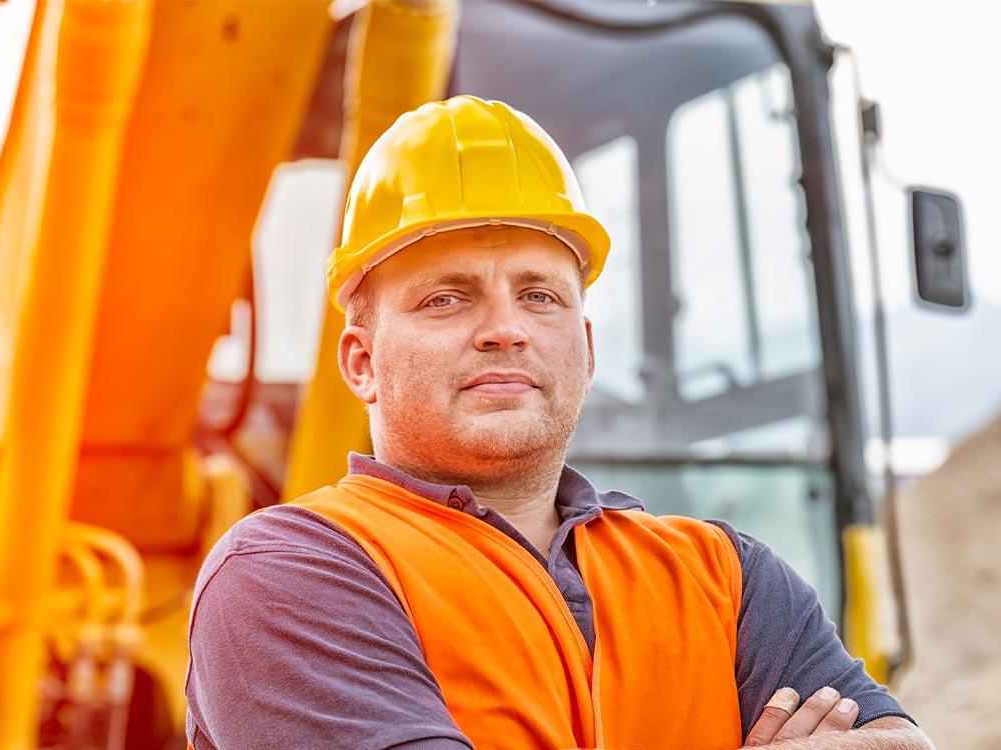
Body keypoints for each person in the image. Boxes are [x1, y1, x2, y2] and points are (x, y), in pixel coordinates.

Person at [184, 96, 930, 749]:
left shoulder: (725, 576)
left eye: (540, 296)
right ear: (360, 362)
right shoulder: (289, 577)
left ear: (587, 347)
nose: (505, 329)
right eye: (447, 298)